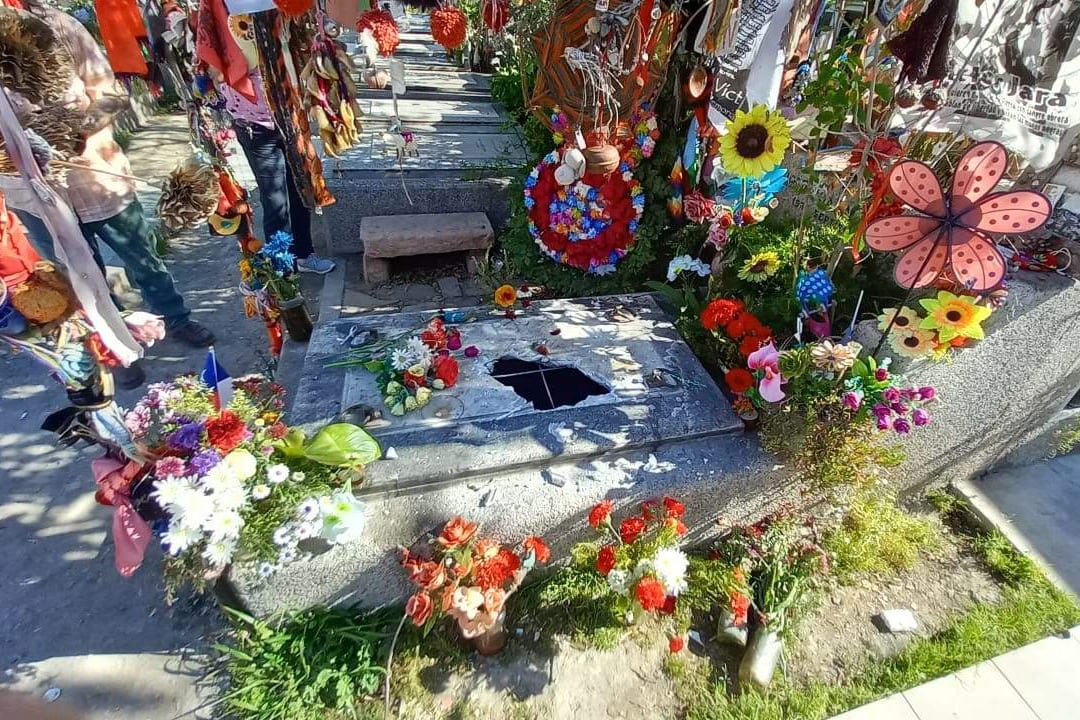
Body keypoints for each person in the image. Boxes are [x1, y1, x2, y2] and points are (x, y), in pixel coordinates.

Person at [0, 2, 214, 388]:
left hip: (99, 177)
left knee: (143, 258)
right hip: (33, 194)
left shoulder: (58, 26)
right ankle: (115, 344)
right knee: (79, 277)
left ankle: (175, 318)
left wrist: (75, 132)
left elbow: (112, 94)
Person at [198, 4, 335, 275]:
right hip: (253, 123)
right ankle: (281, 266)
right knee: (274, 197)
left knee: (300, 188)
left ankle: (304, 255)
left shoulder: (281, 13)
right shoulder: (223, 13)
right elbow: (214, 66)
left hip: (291, 115)